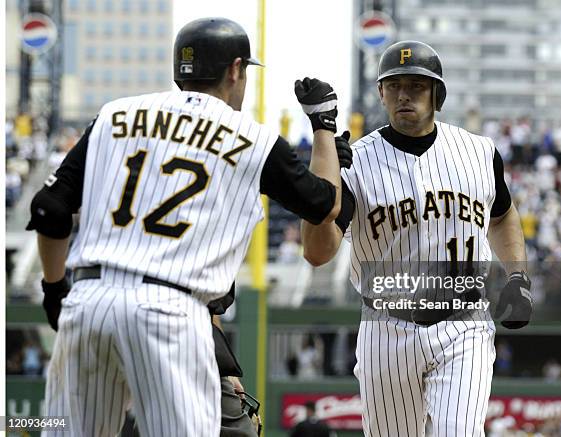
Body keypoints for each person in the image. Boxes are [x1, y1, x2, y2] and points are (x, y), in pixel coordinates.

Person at [27, 17, 343, 436]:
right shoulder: (252, 138)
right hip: (170, 313)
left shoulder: (114, 115)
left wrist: (54, 291)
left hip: (89, 300)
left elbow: (49, 207)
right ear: (235, 69)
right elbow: (325, 205)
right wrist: (323, 127)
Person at [301, 40, 533, 436]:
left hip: (465, 322)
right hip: (387, 325)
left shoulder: (479, 152)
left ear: (437, 93)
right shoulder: (355, 162)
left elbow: (502, 215)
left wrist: (517, 275)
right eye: (393, 85)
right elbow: (317, 252)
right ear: (380, 92)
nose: (403, 94)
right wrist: (324, 184)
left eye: (416, 85)